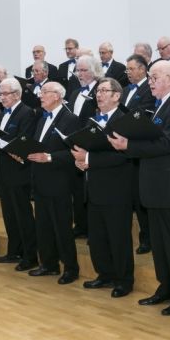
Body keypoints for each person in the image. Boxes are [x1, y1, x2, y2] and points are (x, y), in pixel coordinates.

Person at [109, 60, 170, 316]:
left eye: (155, 77)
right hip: (156, 185)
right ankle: (166, 287)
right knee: (159, 243)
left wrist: (129, 146)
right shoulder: (162, 104)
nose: (150, 81)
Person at [72, 78, 135, 298]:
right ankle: (104, 274)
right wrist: (81, 161)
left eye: (104, 91)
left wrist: (88, 158)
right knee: (97, 237)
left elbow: (122, 156)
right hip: (95, 187)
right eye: (98, 91)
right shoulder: (93, 121)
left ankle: (124, 280)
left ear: (117, 95)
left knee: (118, 238)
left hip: (117, 189)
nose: (99, 95)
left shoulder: (124, 119)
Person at [0, 78, 38, 271]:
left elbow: (21, 142)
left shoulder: (27, 113)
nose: (1, 98)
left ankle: (30, 256)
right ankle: (14, 251)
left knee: (23, 216)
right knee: (10, 216)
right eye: (0, 94)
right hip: (4, 172)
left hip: (19, 171)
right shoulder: (5, 113)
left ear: (17, 94)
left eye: (5, 94)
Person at [28, 82, 81, 285]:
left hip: (59, 180)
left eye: (45, 92)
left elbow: (75, 152)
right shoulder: (42, 118)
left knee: (62, 227)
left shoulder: (70, 119)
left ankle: (70, 268)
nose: (40, 95)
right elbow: (38, 145)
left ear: (57, 96)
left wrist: (49, 157)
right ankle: (49, 264)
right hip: (40, 179)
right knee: (43, 225)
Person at [120, 53, 156, 254]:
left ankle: (148, 238)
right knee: (134, 195)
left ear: (143, 69)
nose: (128, 72)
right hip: (126, 146)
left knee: (142, 196)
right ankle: (143, 235)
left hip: (140, 145)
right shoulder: (125, 90)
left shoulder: (149, 89)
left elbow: (144, 112)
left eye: (131, 68)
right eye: (127, 69)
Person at [67, 55, 101, 238]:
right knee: (77, 188)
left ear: (94, 70)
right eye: (77, 70)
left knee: (90, 188)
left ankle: (91, 228)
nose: (79, 74)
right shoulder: (74, 92)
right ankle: (80, 224)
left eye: (83, 70)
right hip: (75, 144)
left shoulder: (100, 90)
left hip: (91, 145)